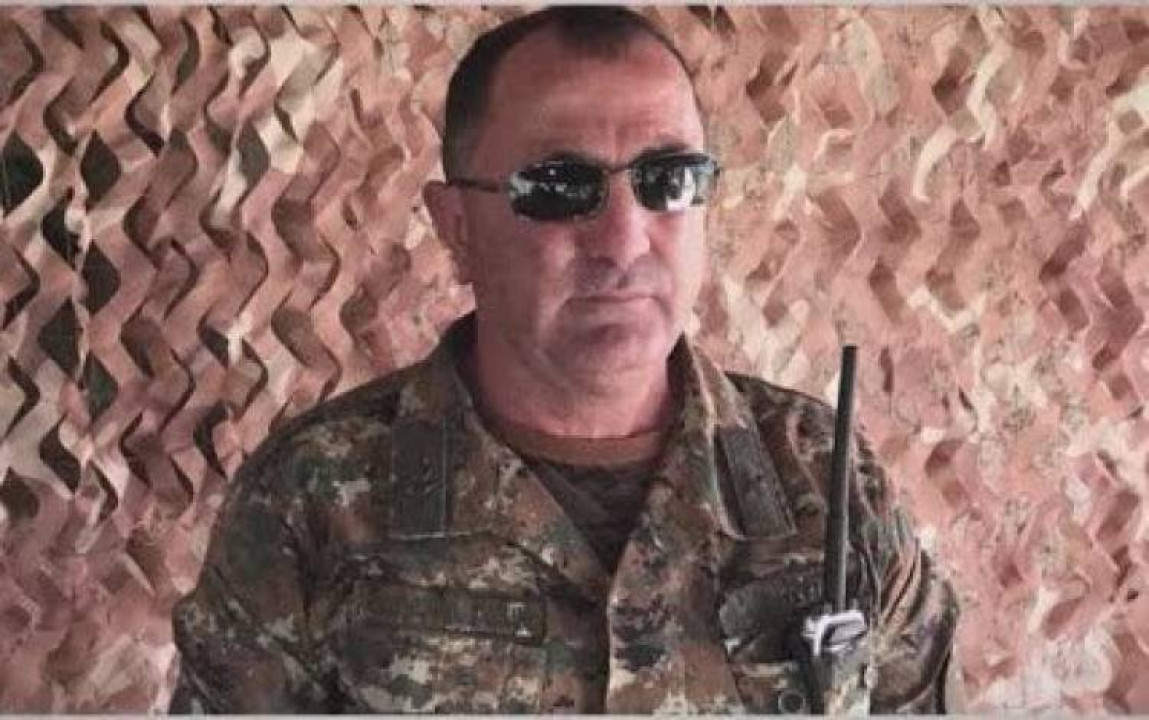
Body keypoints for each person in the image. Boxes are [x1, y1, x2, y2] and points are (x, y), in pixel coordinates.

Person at [170, 6, 961, 713]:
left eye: (668, 179)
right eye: (557, 186)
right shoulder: (316, 498)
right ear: (456, 225)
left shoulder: (823, 480)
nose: (623, 240)